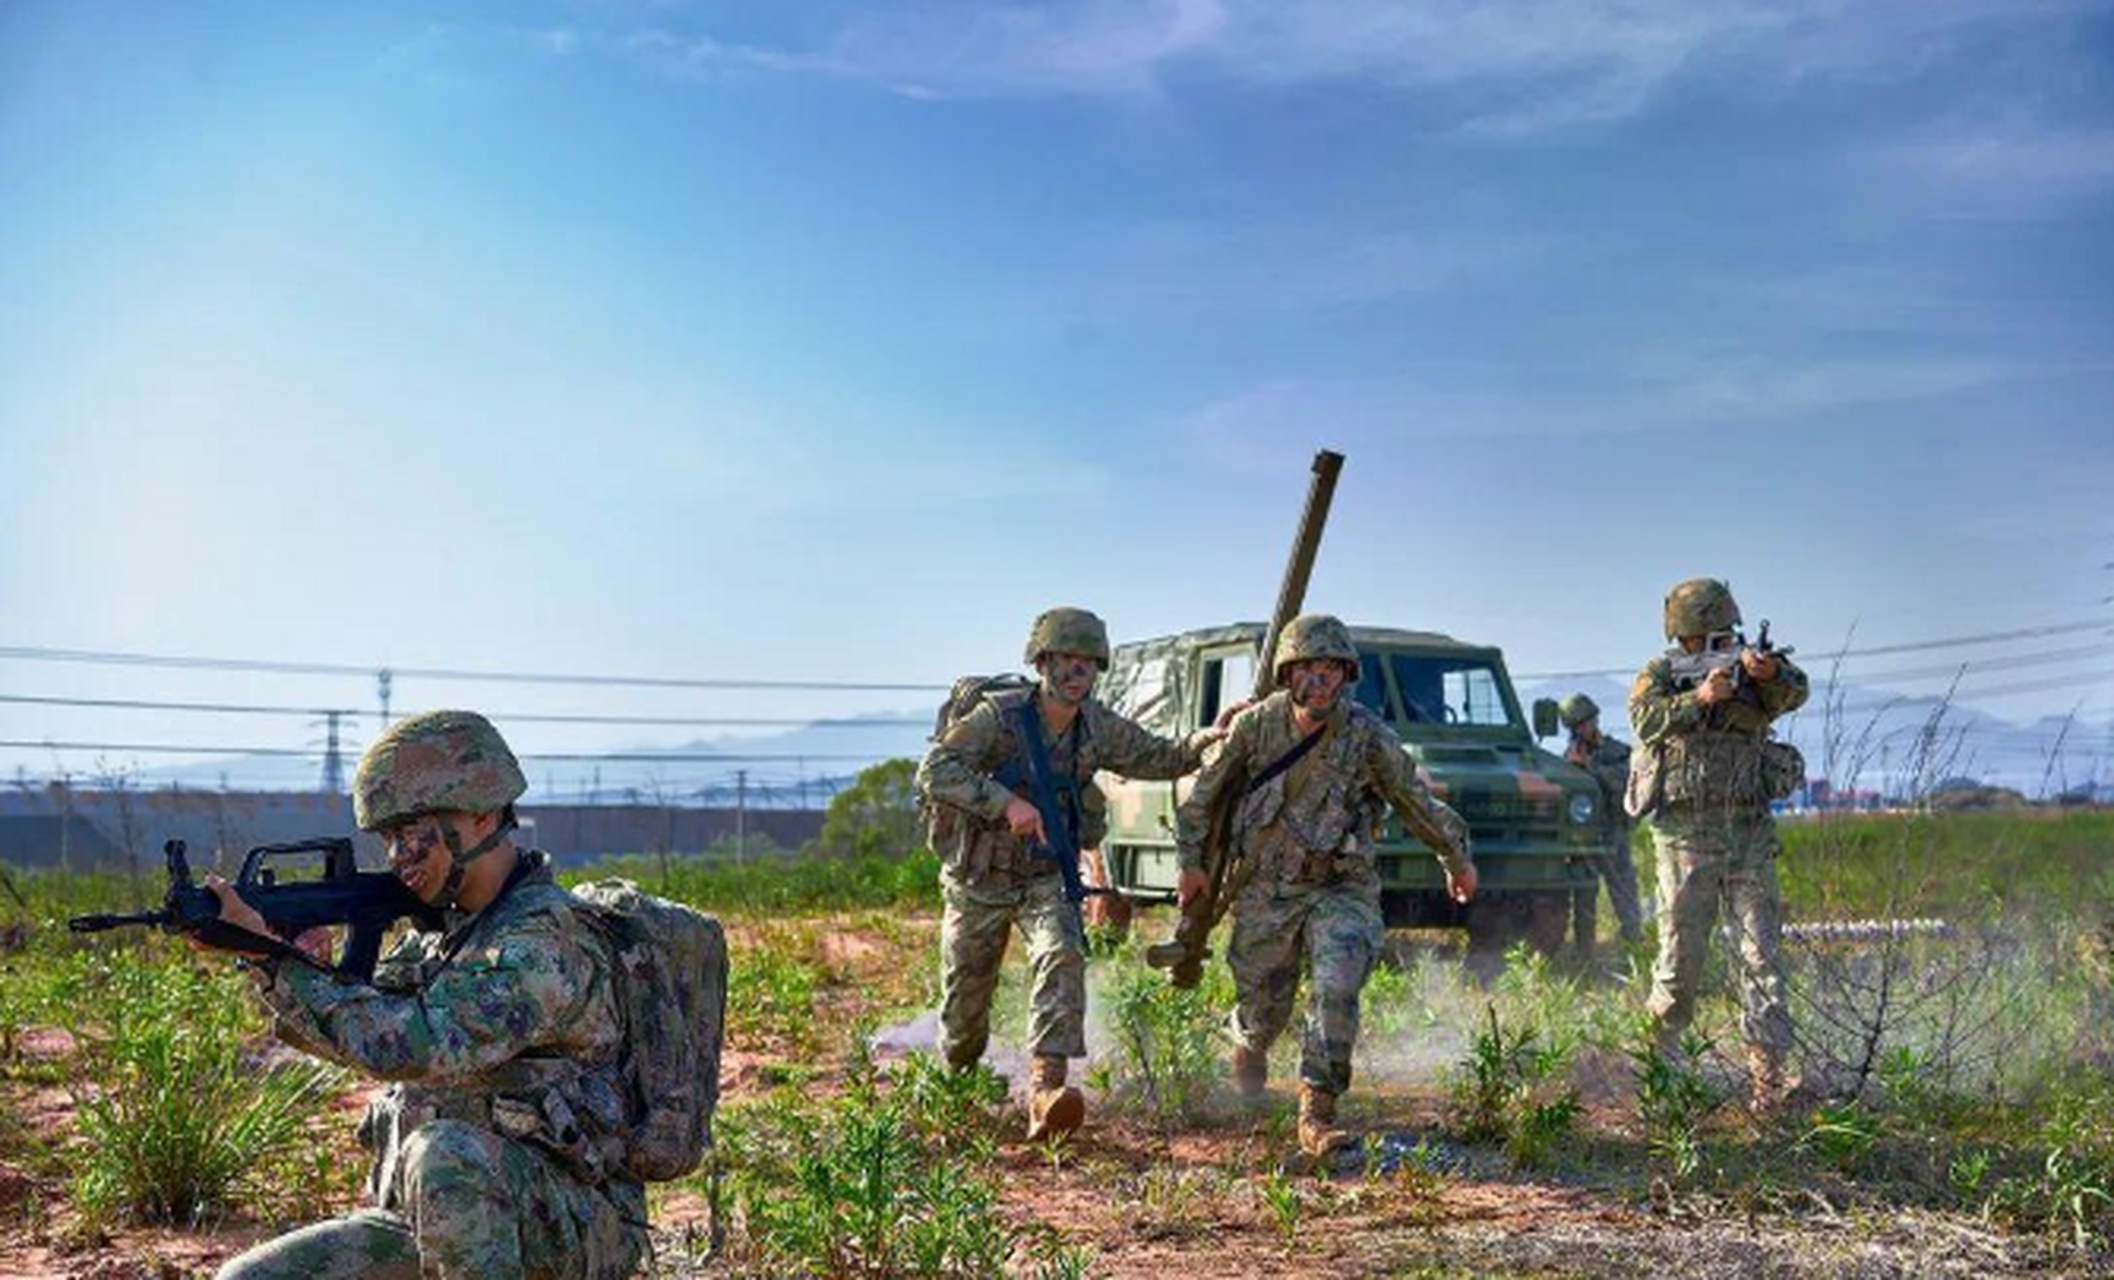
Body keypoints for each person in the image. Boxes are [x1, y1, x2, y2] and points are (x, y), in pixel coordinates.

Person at [211, 710, 646, 1280]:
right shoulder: (443, 936)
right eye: (388, 838)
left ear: (483, 813)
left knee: (443, 1152)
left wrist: (280, 965)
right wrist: (285, 960)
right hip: (444, 1219)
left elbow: (413, 1044)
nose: (397, 857)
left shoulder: (545, 942)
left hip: (569, 1224)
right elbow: (366, 1024)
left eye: (413, 832)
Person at [1176, 614, 1476, 1158]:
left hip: (1343, 887)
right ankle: (1249, 1046)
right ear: (1288, 675)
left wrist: (1455, 857)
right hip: (1269, 888)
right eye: (1307, 670)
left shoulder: (1366, 736)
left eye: (1330, 670)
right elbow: (1202, 798)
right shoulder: (1256, 728)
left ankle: (1316, 1110)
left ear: (1345, 676)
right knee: (1263, 1009)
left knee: (1337, 985)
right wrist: (1191, 864)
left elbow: (1415, 799)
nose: (1319, 681)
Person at [916, 606, 1220, 1140]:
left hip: (1042, 876)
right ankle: (956, 1089)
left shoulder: (1097, 727)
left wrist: (1211, 738)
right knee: (965, 1008)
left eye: (1087, 662)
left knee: (1063, 952)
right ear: (1041, 662)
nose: (1076, 672)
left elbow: (1160, 757)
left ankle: (1045, 1089)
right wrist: (1004, 802)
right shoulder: (997, 717)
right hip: (978, 879)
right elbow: (935, 769)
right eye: (1065, 660)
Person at [1627, 579, 1808, 1109]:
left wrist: (1769, 674)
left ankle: (1767, 1082)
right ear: (1684, 636)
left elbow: (1796, 691)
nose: (1719, 644)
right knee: (1681, 963)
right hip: (1686, 836)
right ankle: (1660, 1070)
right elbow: (1644, 719)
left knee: (1763, 960)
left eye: (1726, 634)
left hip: (1749, 832)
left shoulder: (1754, 671)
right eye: (1708, 636)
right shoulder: (1660, 675)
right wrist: (1699, 698)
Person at [1558, 692, 1642, 965]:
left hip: (1614, 834)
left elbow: (1623, 787)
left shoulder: (1617, 752)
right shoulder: (1568, 756)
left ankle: (1635, 953)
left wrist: (1589, 767)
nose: (1582, 730)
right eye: (1576, 727)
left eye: (1585, 723)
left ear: (1594, 720)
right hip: (1584, 839)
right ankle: (1585, 958)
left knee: (1625, 897)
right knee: (1584, 899)